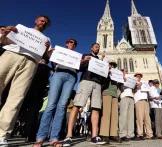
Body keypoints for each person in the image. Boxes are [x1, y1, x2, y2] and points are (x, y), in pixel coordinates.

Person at [0, 15, 51, 146]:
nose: (43, 22)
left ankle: (2, 134)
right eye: (41, 20)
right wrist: (6, 34)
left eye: (45, 22)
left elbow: (46, 57)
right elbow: (3, 42)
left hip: (31, 62)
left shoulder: (46, 40)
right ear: (36, 21)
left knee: (17, 97)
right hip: (11, 55)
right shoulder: (20, 29)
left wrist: (47, 51)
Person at [33, 39, 78, 147]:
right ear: (66, 43)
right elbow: (49, 58)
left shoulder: (77, 56)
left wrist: (84, 61)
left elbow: (80, 67)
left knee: (62, 106)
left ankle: (54, 138)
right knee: (51, 105)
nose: (72, 44)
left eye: (74, 43)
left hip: (71, 77)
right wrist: (49, 51)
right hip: (58, 74)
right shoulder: (59, 51)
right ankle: (40, 138)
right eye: (71, 42)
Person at [63, 43, 106, 146]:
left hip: (97, 83)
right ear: (91, 48)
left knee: (96, 108)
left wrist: (105, 68)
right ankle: (68, 136)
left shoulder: (100, 61)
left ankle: (94, 136)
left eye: (98, 47)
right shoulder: (86, 56)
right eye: (96, 46)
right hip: (86, 81)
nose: (97, 48)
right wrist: (85, 60)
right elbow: (78, 67)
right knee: (77, 105)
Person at [99, 60, 120, 143]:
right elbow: (101, 80)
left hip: (115, 94)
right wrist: (107, 73)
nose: (111, 66)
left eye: (113, 65)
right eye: (110, 64)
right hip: (106, 92)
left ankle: (113, 134)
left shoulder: (116, 74)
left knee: (114, 115)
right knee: (106, 113)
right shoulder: (104, 72)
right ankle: (104, 134)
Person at [134, 73, 153, 140]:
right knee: (139, 118)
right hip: (138, 101)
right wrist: (136, 87)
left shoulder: (144, 83)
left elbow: (148, 91)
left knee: (147, 119)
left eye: (140, 76)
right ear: (135, 77)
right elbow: (133, 91)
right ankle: (140, 134)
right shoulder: (134, 83)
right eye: (137, 76)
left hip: (146, 101)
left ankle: (149, 134)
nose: (138, 77)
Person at [119, 69, 135, 141]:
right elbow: (120, 87)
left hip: (131, 97)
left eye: (125, 71)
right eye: (123, 71)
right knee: (123, 116)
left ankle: (130, 134)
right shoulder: (119, 78)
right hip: (124, 97)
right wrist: (123, 80)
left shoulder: (130, 78)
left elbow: (133, 88)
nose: (125, 72)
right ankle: (122, 134)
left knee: (131, 117)